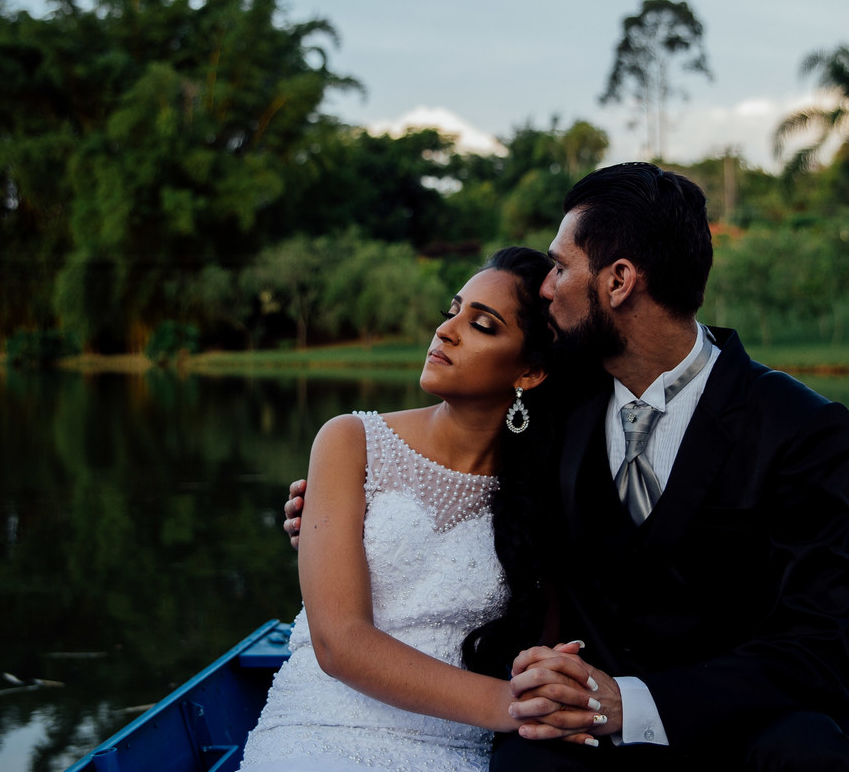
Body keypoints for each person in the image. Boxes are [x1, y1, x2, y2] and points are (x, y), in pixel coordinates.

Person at [287, 163, 849, 771]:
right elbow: (466, 465)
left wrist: (632, 703)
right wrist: (334, 505)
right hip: (581, 733)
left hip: (738, 727)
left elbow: (819, 652)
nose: (546, 286)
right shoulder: (556, 400)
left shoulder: (798, 426)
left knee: (811, 756)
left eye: (561, 268)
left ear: (618, 282)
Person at [240, 247, 601, 772]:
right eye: (450, 312)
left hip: (455, 746)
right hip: (317, 727)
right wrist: (508, 705)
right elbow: (338, 642)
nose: (446, 331)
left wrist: (544, 691)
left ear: (529, 372)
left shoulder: (542, 489)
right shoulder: (350, 440)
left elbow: (546, 645)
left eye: (481, 324)